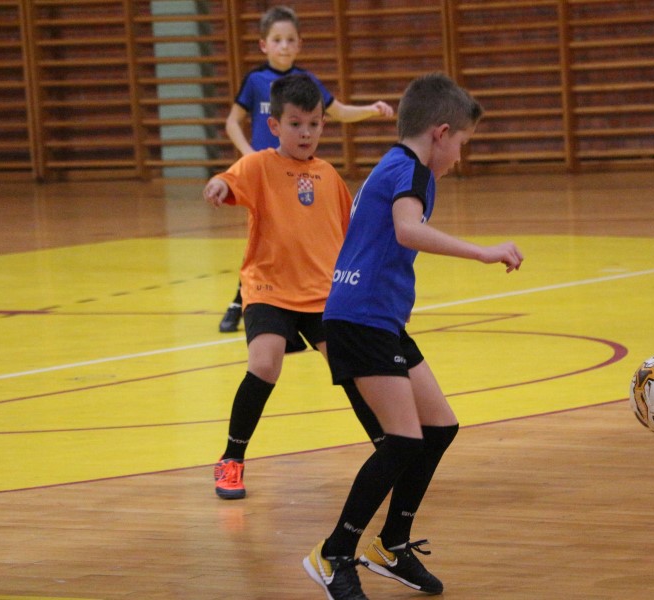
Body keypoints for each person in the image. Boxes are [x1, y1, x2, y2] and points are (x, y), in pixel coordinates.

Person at [302, 73, 524, 599]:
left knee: (439, 427)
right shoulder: (413, 171)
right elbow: (406, 229)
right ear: (442, 133)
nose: (461, 156)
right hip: (361, 319)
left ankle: (391, 545)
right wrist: (483, 251)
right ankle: (334, 555)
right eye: (463, 144)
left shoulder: (395, 163)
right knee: (402, 441)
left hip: (377, 319)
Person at [204, 73, 384, 501]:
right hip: (269, 289)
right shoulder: (260, 165)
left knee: (351, 370)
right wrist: (218, 184)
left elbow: (350, 235)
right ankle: (231, 458)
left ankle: (388, 448)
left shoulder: (328, 176)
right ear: (274, 126)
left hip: (323, 295)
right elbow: (230, 179)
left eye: (315, 124)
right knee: (265, 364)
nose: (306, 133)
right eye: (296, 123)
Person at [218, 4, 394, 334]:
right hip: (264, 178)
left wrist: (371, 110)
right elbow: (232, 122)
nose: (283, 46)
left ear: (300, 44)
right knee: (261, 243)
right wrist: (247, 158)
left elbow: (337, 111)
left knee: (290, 243)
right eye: (277, 40)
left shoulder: (306, 82)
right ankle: (239, 302)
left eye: (290, 40)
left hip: (296, 177)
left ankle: (285, 302)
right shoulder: (256, 81)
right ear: (263, 45)